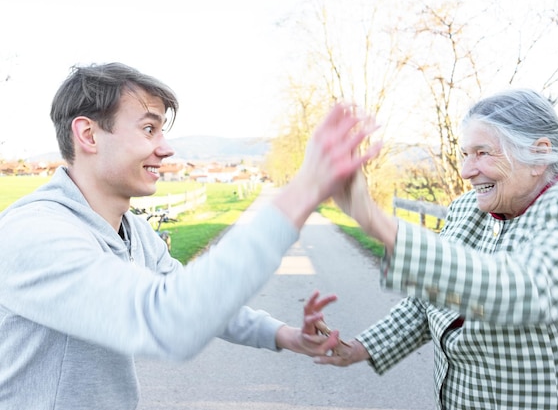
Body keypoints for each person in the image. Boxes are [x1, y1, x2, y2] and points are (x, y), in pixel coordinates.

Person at [0, 62, 378, 409]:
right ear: (88, 135)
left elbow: (191, 296)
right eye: (149, 128)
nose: (165, 148)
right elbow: (171, 318)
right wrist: (303, 192)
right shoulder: (34, 234)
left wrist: (285, 335)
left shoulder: (135, 232)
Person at [318, 88, 558, 409]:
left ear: (538, 155)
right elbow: (432, 296)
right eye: (465, 154)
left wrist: (375, 221)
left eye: (482, 153)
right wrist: (359, 347)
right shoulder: (468, 208)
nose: (467, 171)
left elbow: (523, 293)